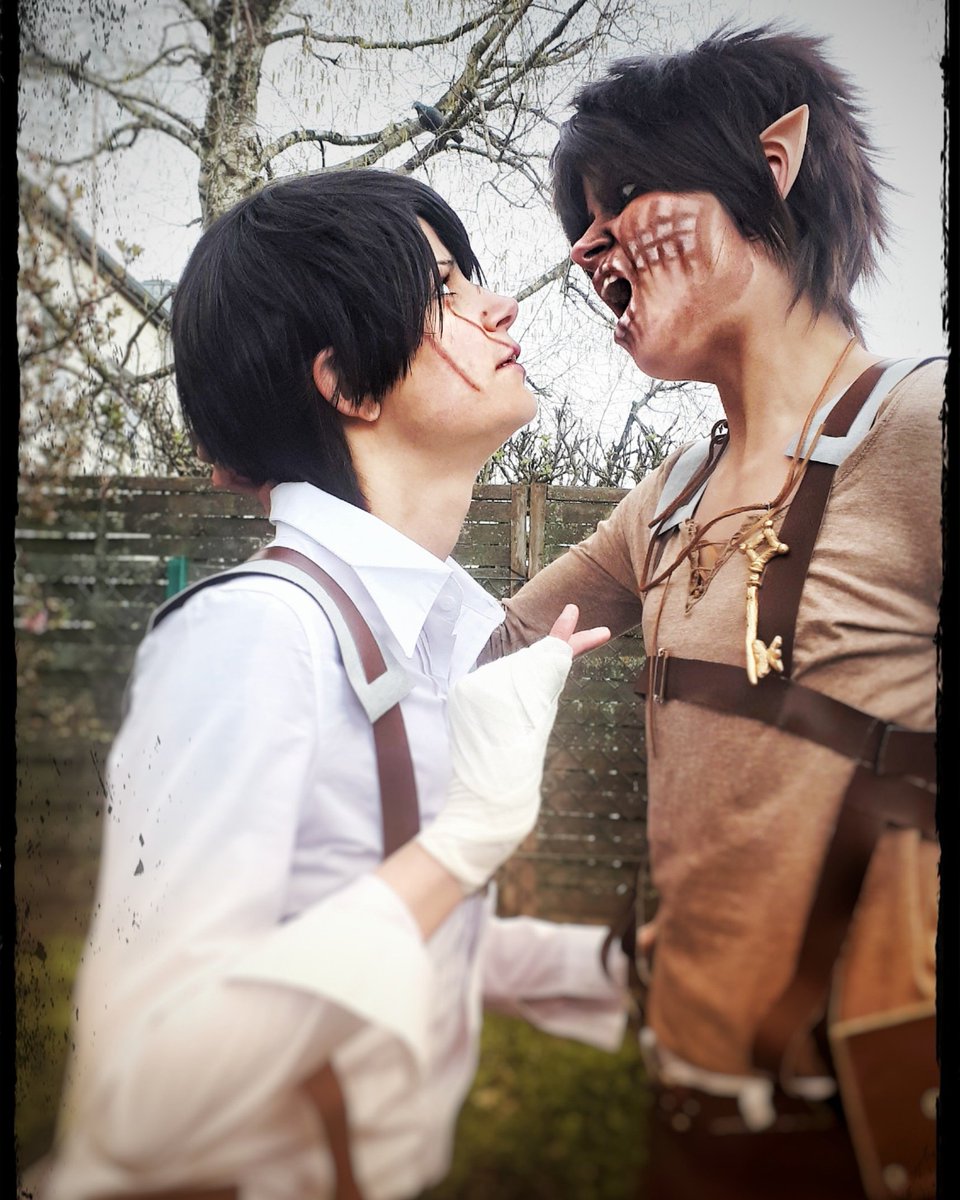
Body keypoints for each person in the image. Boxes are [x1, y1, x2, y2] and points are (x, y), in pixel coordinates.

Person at [40, 169, 629, 1200]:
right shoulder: (256, 635)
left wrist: (625, 970)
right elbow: (139, 1095)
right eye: (445, 289)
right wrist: (464, 841)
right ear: (349, 384)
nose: (500, 306)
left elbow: (376, 930)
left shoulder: (439, 628)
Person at [485, 23, 942, 1200]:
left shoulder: (923, 430)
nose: (588, 248)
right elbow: (484, 650)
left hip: (870, 1151)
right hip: (682, 1134)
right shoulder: (666, 499)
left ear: (771, 164)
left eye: (623, 201)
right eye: (580, 223)